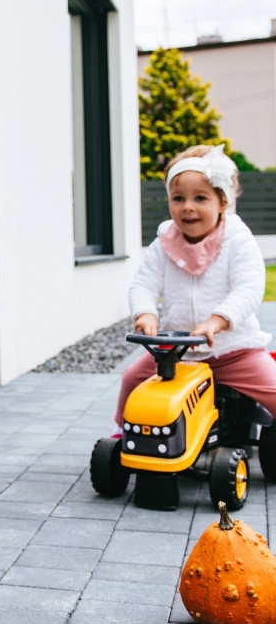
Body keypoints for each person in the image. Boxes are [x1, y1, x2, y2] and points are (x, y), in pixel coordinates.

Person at [113, 143, 276, 433]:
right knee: (131, 379)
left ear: (222, 202)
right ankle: (126, 432)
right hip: (175, 354)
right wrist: (146, 314)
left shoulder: (238, 240)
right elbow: (144, 283)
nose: (187, 206)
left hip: (234, 351)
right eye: (178, 198)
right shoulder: (163, 243)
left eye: (200, 198)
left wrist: (217, 321)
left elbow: (249, 287)